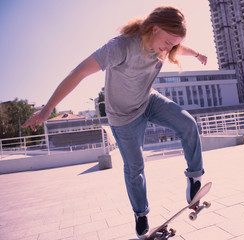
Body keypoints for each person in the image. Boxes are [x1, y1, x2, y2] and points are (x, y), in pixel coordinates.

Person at [22, 6, 207, 238]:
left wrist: (198, 54)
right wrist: (48, 108)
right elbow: (77, 73)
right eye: (168, 42)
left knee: (188, 123)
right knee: (135, 168)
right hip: (123, 117)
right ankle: (141, 215)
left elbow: (181, 48)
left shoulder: (167, 43)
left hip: (148, 100)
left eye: (174, 45)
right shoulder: (119, 47)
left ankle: (195, 179)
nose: (169, 49)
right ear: (155, 28)